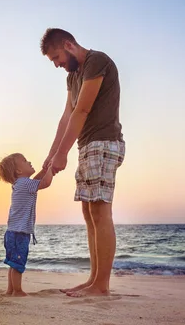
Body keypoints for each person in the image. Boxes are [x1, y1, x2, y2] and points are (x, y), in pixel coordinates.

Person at [40, 28, 125, 297]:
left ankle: (102, 285)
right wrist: (51, 156)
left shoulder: (96, 62)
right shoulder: (72, 77)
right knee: (89, 215)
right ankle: (93, 280)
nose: (57, 64)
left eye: (57, 57)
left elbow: (83, 109)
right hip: (86, 145)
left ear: (68, 44)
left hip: (103, 143)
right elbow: (67, 116)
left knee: (101, 213)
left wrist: (62, 154)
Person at [0, 153, 54, 297]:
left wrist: (44, 170)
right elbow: (44, 183)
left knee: (13, 263)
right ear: (19, 171)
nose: (29, 161)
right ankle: (18, 291)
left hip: (12, 232)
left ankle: (10, 290)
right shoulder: (25, 184)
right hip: (19, 233)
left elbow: (37, 181)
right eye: (25, 161)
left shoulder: (21, 184)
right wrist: (51, 169)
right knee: (18, 264)